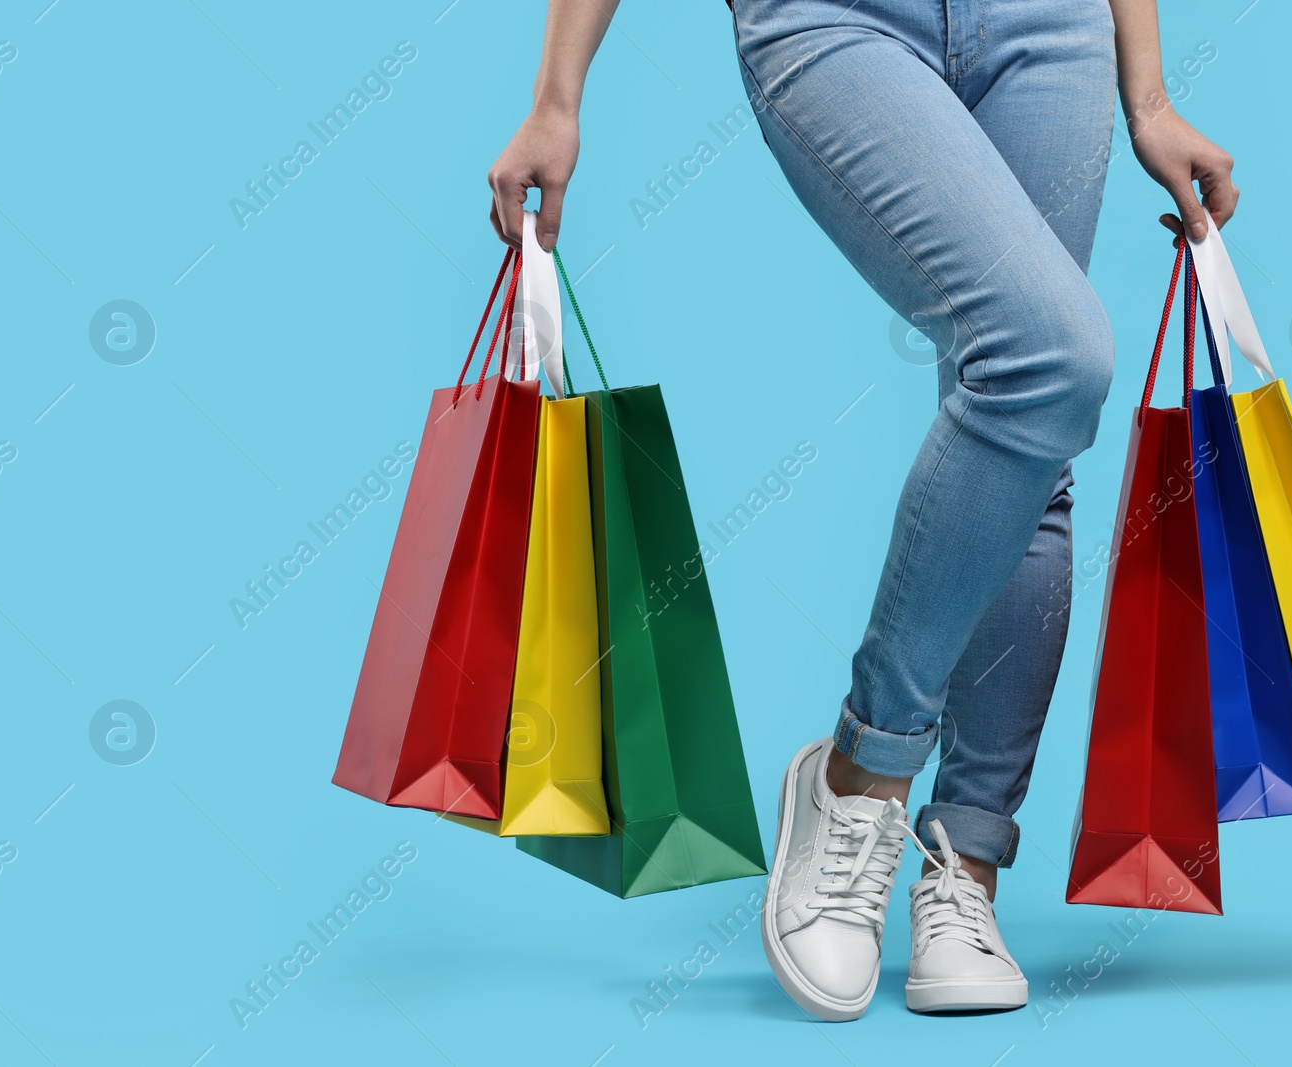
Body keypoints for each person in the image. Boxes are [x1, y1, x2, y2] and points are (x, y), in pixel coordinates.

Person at [488, 0, 1238, 1021]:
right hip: (837, 22)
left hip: (1050, 27)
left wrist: (1145, 93)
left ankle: (963, 865)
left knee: (1033, 446)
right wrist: (556, 97)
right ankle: (860, 774)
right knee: (1050, 360)